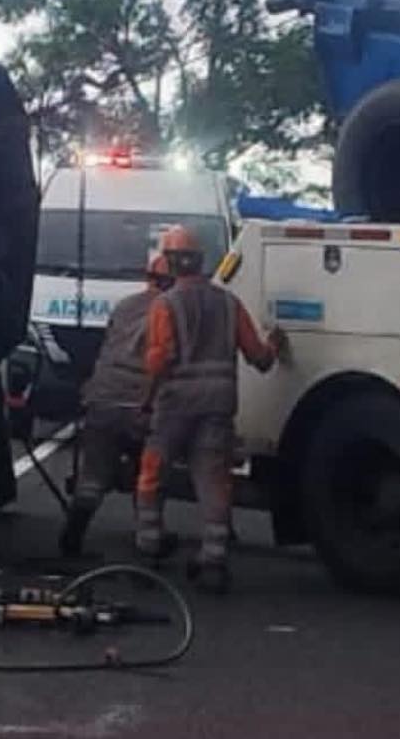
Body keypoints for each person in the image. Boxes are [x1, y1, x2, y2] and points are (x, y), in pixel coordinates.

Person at [135, 225, 288, 593]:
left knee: (154, 470)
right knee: (213, 478)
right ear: (201, 261)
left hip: (174, 405)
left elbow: (159, 360)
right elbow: (259, 358)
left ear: (170, 262)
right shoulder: (229, 304)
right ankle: (213, 558)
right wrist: (275, 346)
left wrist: (147, 401)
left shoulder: (164, 305)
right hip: (218, 405)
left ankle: (149, 543)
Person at [59, 254, 173, 558]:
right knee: (147, 478)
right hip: (141, 403)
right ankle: (149, 542)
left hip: (103, 397)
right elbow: (168, 359)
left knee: (93, 475)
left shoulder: (125, 306)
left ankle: (73, 534)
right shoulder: (173, 310)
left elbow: (107, 346)